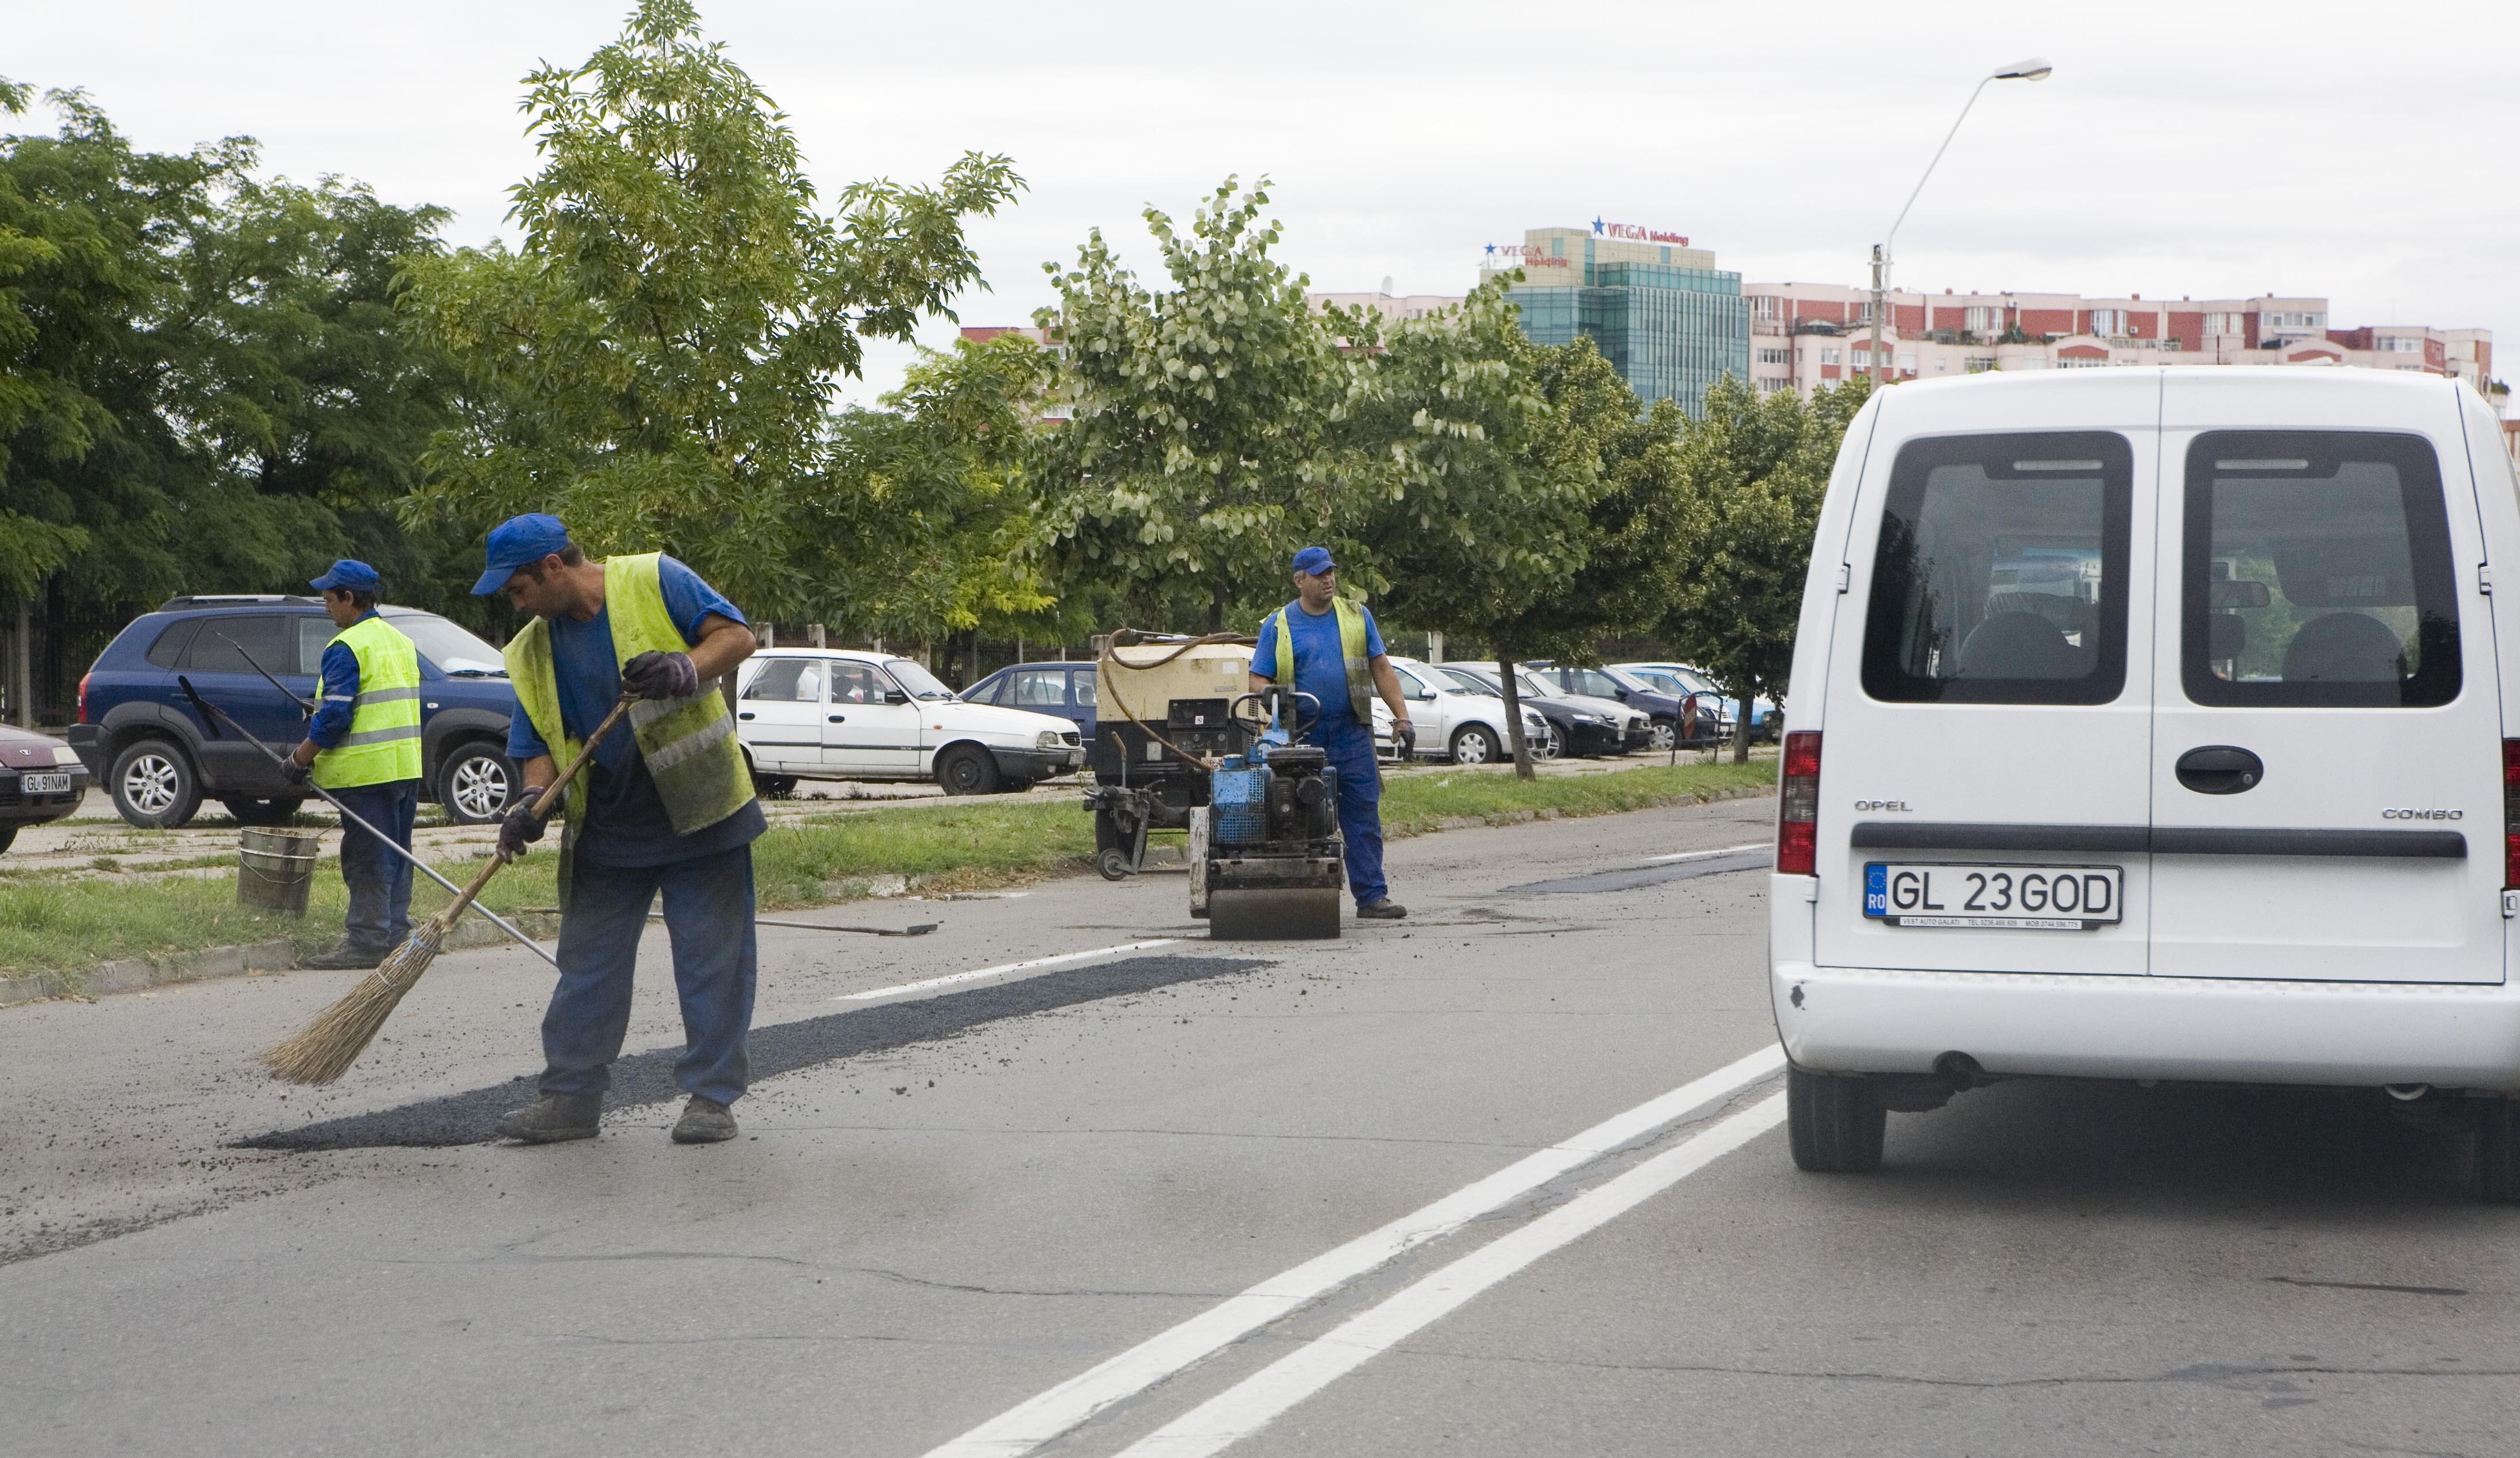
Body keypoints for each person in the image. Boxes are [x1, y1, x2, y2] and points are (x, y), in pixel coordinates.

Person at [473, 514, 765, 1146]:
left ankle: (711, 1099)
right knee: (588, 964)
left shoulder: (653, 577)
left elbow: (737, 637)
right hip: (606, 822)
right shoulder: (529, 648)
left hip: (700, 811)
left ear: (553, 566)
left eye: (518, 587)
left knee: (711, 959)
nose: (514, 602)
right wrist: (530, 800)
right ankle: (571, 1098)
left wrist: (685, 669)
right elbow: (537, 744)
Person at [1246, 546, 1415, 920]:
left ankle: (1372, 897)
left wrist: (1402, 717)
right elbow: (1258, 678)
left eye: (1331, 573)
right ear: (1299, 580)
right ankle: (1303, 896)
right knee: (1300, 813)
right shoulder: (1279, 624)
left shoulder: (1357, 617)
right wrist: (1271, 696)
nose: (1328, 580)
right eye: (1319, 574)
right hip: (1303, 736)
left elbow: (1381, 668)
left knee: (1362, 813)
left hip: (1352, 733)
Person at [288, 561, 425, 970]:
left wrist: (299, 758)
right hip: (403, 768)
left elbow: (336, 717)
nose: (325, 607)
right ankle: (397, 938)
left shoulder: (346, 647)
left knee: (367, 858)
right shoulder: (399, 641)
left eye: (330, 600)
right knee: (397, 855)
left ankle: (366, 943)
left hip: (366, 773)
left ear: (350, 599)